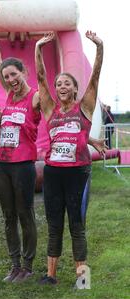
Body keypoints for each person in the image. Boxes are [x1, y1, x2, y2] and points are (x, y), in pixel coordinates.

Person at [35, 30, 103, 285]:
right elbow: (41, 79)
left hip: (78, 173)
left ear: (75, 88)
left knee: (76, 225)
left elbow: (95, 77)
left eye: (67, 83)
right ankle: (50, 275)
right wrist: (39, 48)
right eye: (59, 84)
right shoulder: (50, 110)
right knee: (54, 225)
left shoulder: (84, 108)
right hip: (53, 173)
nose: (62, 86)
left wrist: (99, 47)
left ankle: (82, 279)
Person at [0, 7, 40, 283]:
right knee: (8, 216)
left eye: (13, 74)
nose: (9, 79)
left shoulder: (35, 97)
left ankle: (28, 266)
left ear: (23, 72)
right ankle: (15, 265)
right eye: (6, 77)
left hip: (23, 165)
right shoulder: (8, 97)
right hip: (2, 165)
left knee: (25, 213)